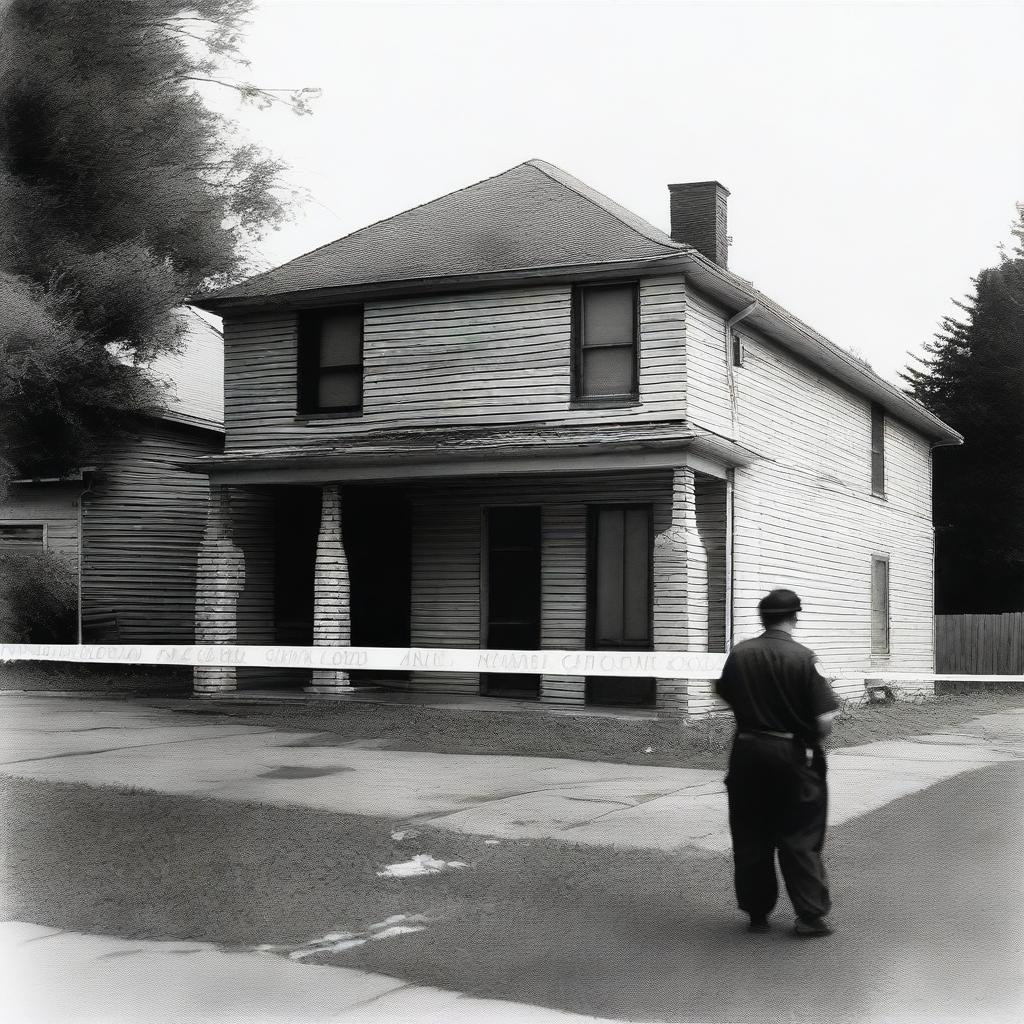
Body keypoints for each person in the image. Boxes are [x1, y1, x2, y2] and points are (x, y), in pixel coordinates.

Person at [715, 588, 840, 937]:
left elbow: (726, 693)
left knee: (750, 830)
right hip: (792, 754)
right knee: (800, 832)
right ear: (794, 617)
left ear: (762, 618)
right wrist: (809, 739)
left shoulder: (739, 654)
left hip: (748, 751)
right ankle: (810, 916)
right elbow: (825, 718)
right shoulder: (804, 658)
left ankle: (757, 912)